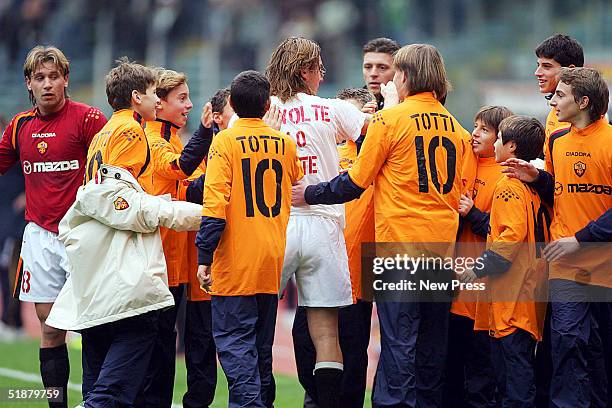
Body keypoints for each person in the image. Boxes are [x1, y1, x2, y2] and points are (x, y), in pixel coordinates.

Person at [293, 43, 466, 408]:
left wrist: (311, 192)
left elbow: (355, 181)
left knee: (398, 345)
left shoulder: (391, 119)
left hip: (400, 247)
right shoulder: (457, 128)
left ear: (404, 76)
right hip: (444, 250)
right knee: (430, 349)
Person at [0, 45, 107, 408]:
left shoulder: (89, 119)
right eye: (39, 78)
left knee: (96, 323)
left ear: (66, 79)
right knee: (49, 325)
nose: (47, 84)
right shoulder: (19, 126)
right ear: (29, 83)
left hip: (82, 233)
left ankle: (98, 398)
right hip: (40, 236)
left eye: (54, 77)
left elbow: (114, 167)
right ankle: (57, 404)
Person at [45, 162, 203, 408]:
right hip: (127, 307)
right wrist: (216, 213)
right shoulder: (118, 193)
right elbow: (163, 212)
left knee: (96, 389)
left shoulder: (89, 196)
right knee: (109, 396)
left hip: (94, 309)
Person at [265, 36, 369, 408]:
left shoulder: (264, 111)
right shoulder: (333, 108)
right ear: (306, 70)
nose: (322, 76)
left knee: (259, 325)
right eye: (319, 68)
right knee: (327, 333)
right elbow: (375, 140)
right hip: (325, 222)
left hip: (276, 225)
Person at [503, 67, 612, 407]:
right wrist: (537, 178)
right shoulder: (556, 140)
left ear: (583, 101)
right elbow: (562, 194)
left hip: (604, 261)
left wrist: (582, 237)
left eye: (561, 95)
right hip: (566, 261)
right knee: (566, 340)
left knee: (600, 350)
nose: (553, 99)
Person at [195, 70, 303, 407]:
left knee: (234, 345)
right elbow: (297, 176)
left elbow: (215, 206)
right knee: (260, 350)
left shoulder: (224, 141)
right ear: (268, 103)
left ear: (231, 103)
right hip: (270, 259)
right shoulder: (284, 142)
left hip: (235, 261)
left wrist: (203, 256)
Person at [293, 87, 377, 408]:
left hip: (358, 274)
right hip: (320, 261)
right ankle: (315, 398)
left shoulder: (376, 155)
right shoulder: (327, 151)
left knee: (353, 360)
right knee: (306, 344)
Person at [460, 115, 549, 406]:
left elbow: (510, 238)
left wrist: (478, 269)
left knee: (514, 385)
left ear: (510, 146)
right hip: (525, 297)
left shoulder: (509, 185)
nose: (494, 142)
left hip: (512, 301)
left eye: (498, 138)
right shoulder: (531, 186)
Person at [140, 69, 214, 408]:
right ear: (160, 104)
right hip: (159, 261)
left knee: (170, 344)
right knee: (156, 346)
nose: (189, 104)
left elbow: (189, 185)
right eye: (181, 99)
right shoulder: (152, 139)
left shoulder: (170, 138)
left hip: (178, 262)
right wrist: (207, 130)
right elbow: (181, 169)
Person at [444, 106, 513, 408]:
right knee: (450, 374)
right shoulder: (466, 160)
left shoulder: (506, 175)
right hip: (456, 290)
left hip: (485, 294)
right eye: (475, 126)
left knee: (481, 378)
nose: (475, 133)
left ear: (502, 138)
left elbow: (504, 233)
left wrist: (471, 213)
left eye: (484, 129)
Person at [362, 37, 400, 110]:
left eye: (382, 67)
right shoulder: (351, 105)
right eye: (368, 67)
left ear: (398, 71)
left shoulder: (410, 105)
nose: (373, 74)